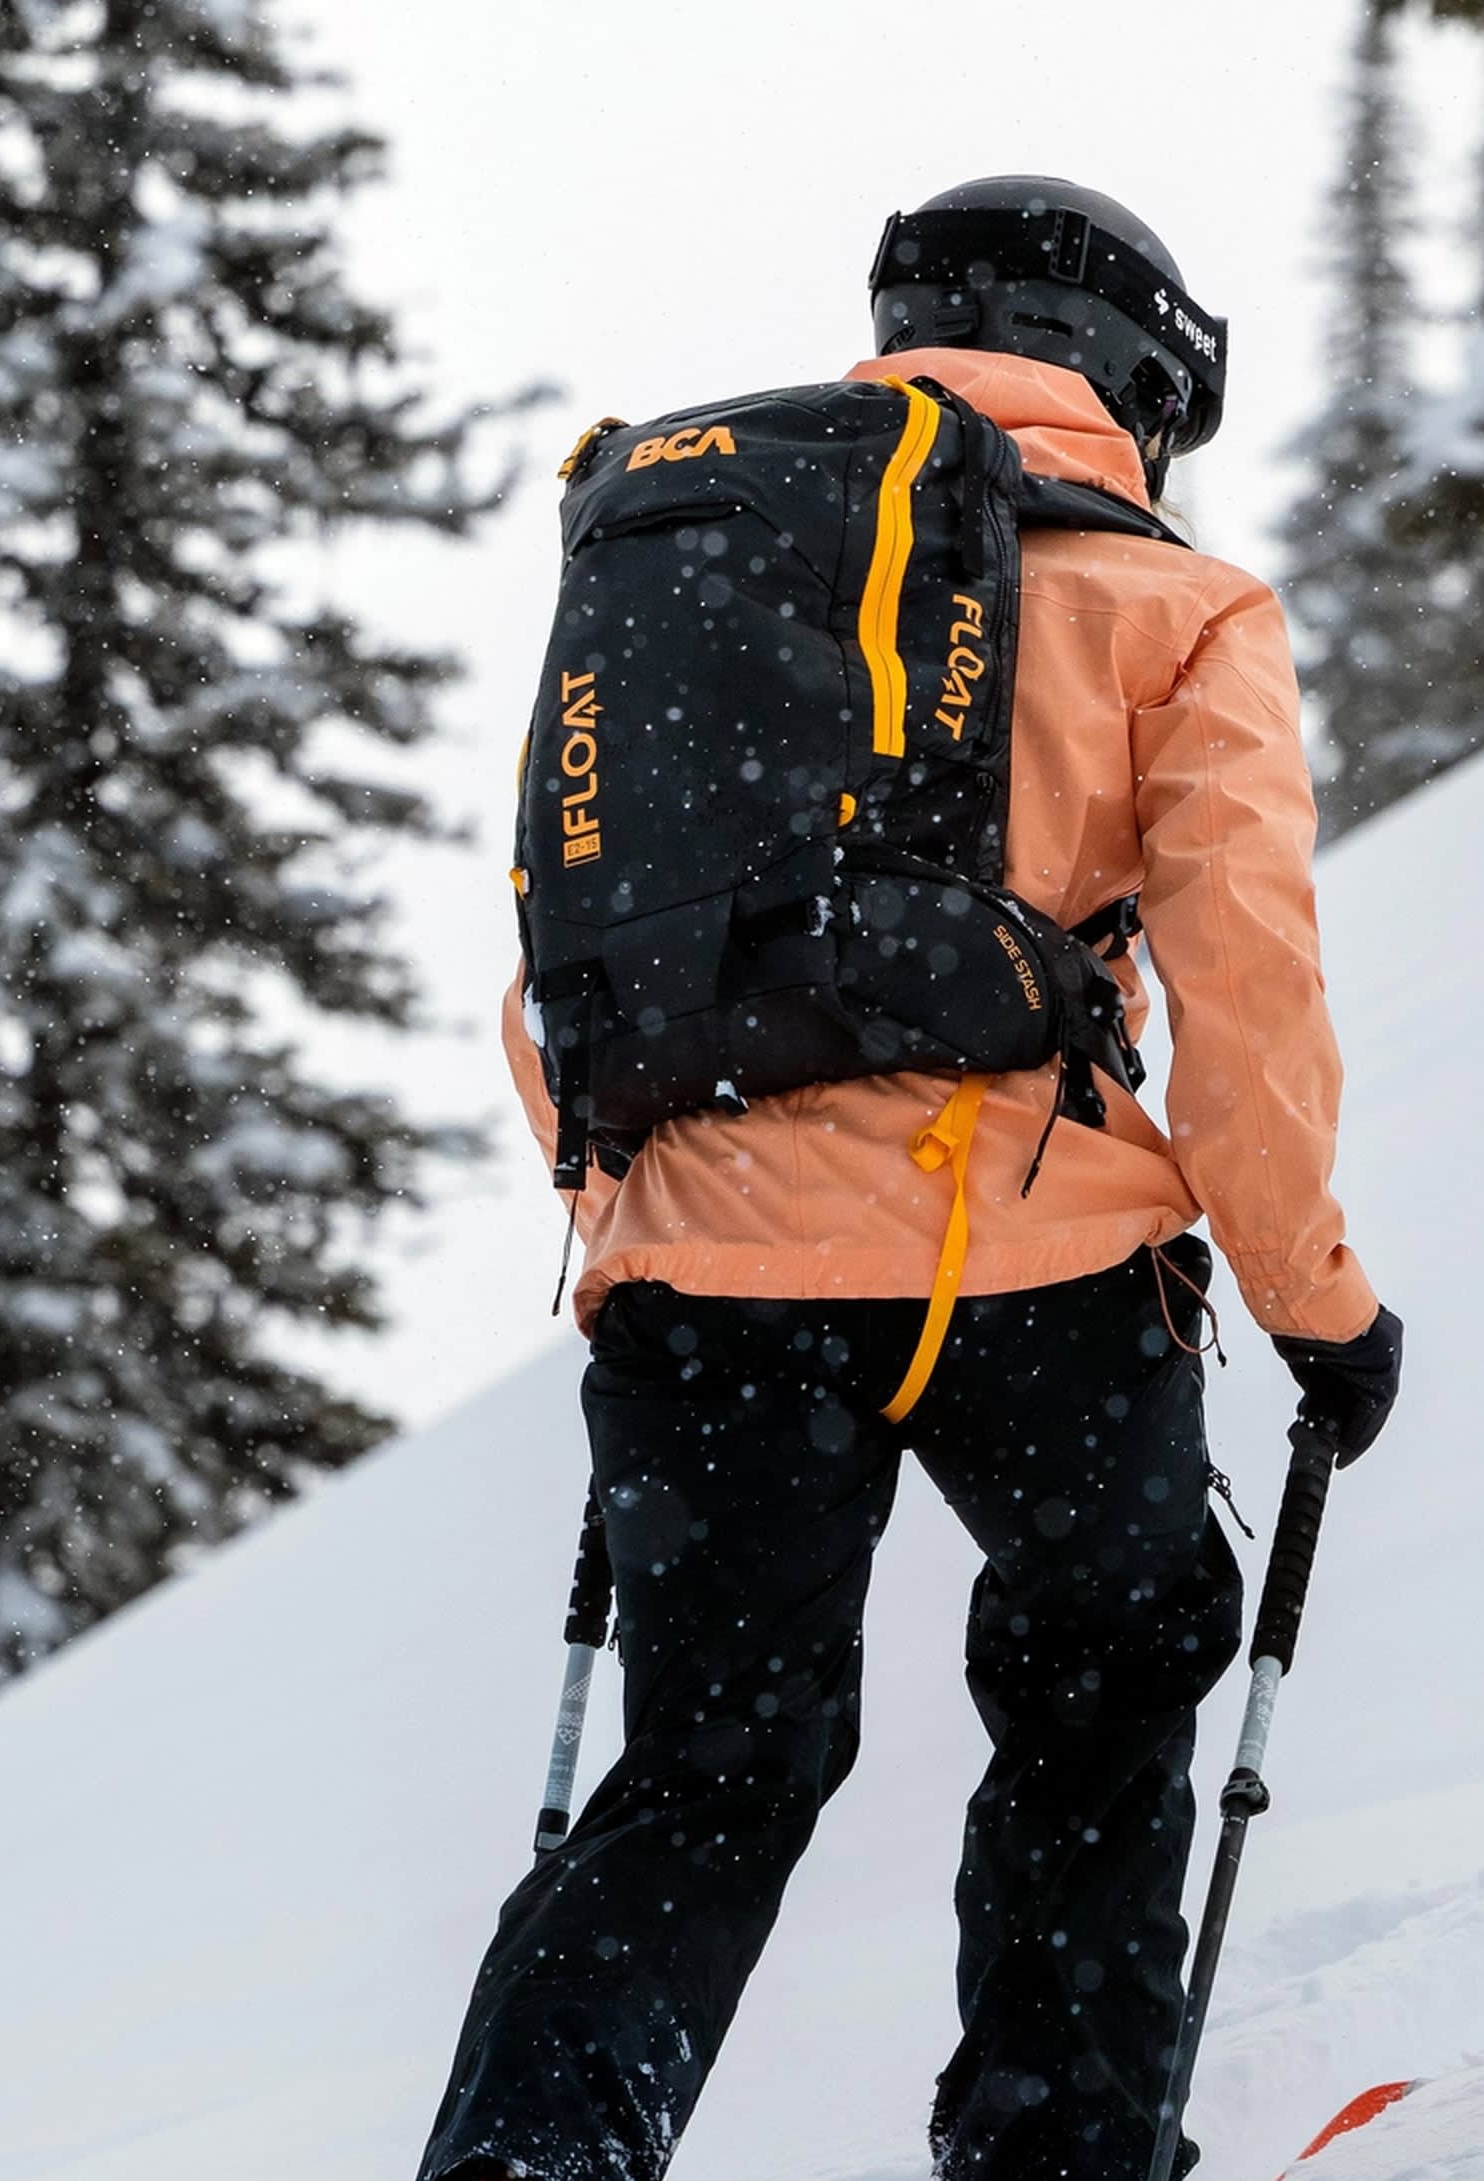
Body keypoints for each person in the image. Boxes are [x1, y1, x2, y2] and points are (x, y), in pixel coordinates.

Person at [423, 176, 1404, 2181]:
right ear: (1135, 377)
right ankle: (1052, 2150)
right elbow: (1248, 1002)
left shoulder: (692, 558)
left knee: (709, 1770)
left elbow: (570, 967)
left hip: (701, 1285)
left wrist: (648, 1228)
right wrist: (1321, 1303)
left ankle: (531, 2158)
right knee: (1105, 1677)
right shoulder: (1178, 604)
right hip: (1037, 1276)